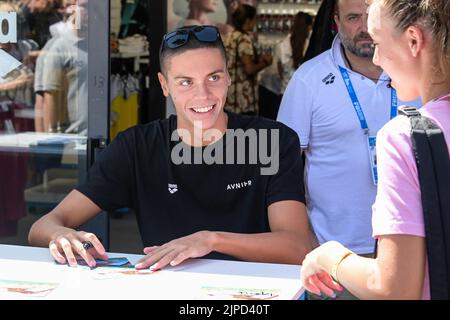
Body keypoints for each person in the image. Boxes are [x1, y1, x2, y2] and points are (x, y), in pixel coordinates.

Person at [28, 25, 314, 270]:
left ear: (228, 76)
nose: (203, 94)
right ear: (165, 85)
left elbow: (297, 246)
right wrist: (61, 235)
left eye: (213, 77)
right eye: (185, 82)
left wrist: (210, 239)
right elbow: (43, 226)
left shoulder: (272, 140)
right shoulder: (136, 147)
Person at [300, 0, 450, 300]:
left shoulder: (405, 137)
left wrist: (328, 256)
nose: (377, 59)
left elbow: (394, 288)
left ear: (413, 40)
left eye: (379, 42)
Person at [277, 0, 420, 299]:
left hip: (414, 252)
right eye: (354, 17)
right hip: (334, 258)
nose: (365, 27)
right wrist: (304, 239)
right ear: (337, 22)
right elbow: (282, 171)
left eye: (371, 17)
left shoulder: (418, 75)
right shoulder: (308, 80)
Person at [258, 11, 314, 120]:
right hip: (305, 99)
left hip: (285, 96)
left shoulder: (281, 46)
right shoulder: (311, 48)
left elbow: (280, 74)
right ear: (308, 27)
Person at [224, 4, 272, 115]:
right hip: (242, 99)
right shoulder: (244, 39)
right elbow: (249, 69)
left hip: (231, 97)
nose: (255, 23)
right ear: (248, 20)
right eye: (254, 19)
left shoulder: (230, 36)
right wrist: (265, 63)